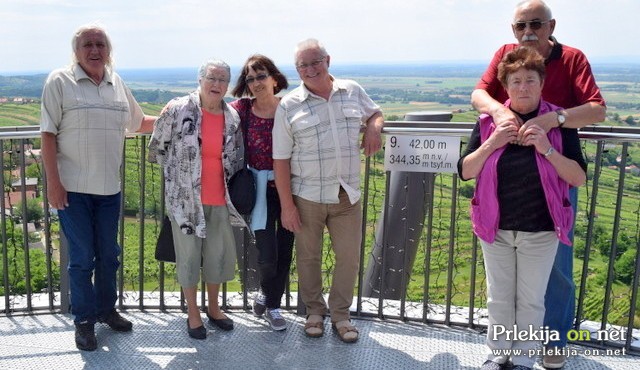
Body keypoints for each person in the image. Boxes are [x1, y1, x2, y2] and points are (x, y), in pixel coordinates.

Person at [471, 1, 605, 368]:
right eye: (520, 26)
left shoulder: (572, 58)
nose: (527, 32)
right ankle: (504, 352)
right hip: (509, 174)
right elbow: (478, 95)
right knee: (505, 286)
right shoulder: (506, 54)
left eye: (535, 24)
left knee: (556, 267)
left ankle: (552, 341)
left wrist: (554, 120)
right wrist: (500, 112)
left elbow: (597, 109)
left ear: (551, 26)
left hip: (555, 166)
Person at [459, 47, 587, 370]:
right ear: (506, 86)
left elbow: (578, 177)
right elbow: (465, 170)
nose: (523, 87)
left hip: (541, 230)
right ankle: (498, 355)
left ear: (542, 83)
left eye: (530, 80)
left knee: (530, 301)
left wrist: (546, 149)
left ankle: (523, 359)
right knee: (499, 298)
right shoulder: (489, 122)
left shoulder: (559, 124)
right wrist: (493, 143)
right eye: (515, 81)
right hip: (495, 227)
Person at [40, 23, 157, 351]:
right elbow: (47, 135)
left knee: (109, 255)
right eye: (87, 44)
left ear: (109, 51)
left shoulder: (116, 83)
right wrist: (54, 184)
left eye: (100, 44)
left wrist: (181, 116)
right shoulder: (59, 81)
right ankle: (84, 321)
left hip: (109, 189)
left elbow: (139, 123)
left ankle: (107, 310)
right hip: (73, 190)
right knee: (82, 258)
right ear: (76, 51)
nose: (94, 50)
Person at [273, 38, 384, 343]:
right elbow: (280, 159)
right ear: (297, 70)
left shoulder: (352, 90)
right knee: (308, 257)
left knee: (348, 258)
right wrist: (287, 205)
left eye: (315, 61)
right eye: (303, 65)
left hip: (347, 194)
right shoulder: (289, 105)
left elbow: (375, 112)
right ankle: (313, 312)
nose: (310, 69)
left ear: (328, 60)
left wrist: (374, 126)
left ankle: (341, 315)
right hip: (307, 195)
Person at [148, 59, 247, 340]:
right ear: (200, 80)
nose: (216, 84)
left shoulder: (232, 117)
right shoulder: (178, 110)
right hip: (185, 201)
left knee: (216, 255)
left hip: (220, 198)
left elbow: (235, 158)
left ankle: (214, 308)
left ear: (228, 85)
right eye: (211, 78)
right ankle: (193, 313)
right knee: (189, 257)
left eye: (222, 80)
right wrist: (179, 178)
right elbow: (157, 148)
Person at [229, 55, 294, 331]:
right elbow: (208, 108)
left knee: (285, 249)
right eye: (250, 77)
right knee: (267, 253)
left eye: (261, 75)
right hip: (260, 193)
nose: (256, 82)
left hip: (290, 190)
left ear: (274, 79)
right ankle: (270, 299)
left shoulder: (289, 109)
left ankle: (271, 302)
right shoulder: (242, 109)